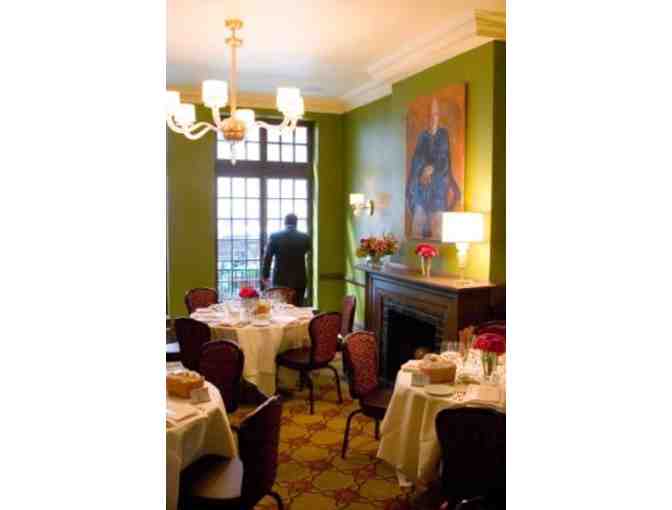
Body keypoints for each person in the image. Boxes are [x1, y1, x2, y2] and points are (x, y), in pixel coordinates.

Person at [406, 97, 461, 239]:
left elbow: (444, 160)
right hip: (421, 194)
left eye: (435, 114)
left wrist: (431, 168)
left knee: (438, 234)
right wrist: (422, 171)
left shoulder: (443, 135)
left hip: (437, 194)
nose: (432, 118)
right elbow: (416, 160)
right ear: (426, 117)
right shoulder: (422, 137)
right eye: (430, 115)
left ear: (438, 116)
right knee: (416, 232)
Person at [262, 213, 311, 306]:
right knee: (297, 307)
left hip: (280, 279)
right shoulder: (305, 237)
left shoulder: (275, 236)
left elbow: (268, 257)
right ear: (296, 223)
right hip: (299, 279)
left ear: (285, 223)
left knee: (280, 307)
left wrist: (265, 275)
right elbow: (309, 255)